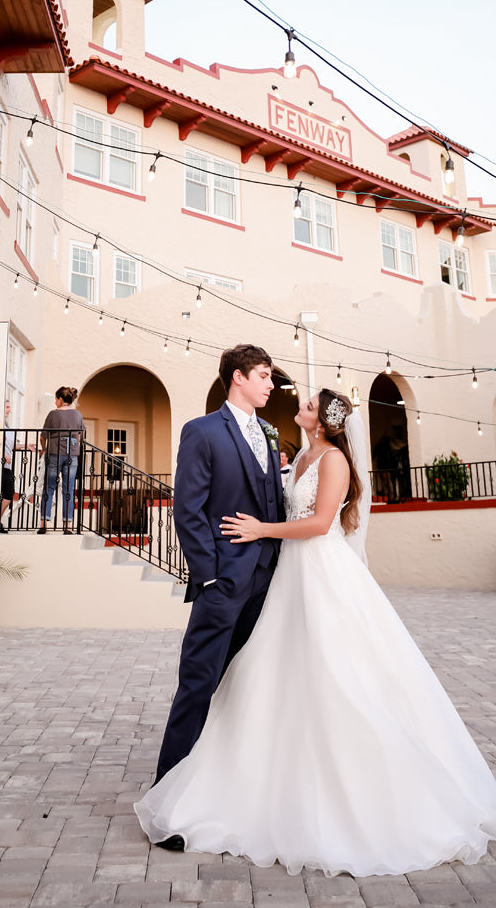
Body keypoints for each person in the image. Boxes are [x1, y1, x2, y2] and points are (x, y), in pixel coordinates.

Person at [135, 387, 496, 877]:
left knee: (334, 669)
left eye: (310, 404)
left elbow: (317, 524)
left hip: (321, 571)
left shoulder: (333, 458)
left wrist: (260, 531)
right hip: (287, 575)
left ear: (325, 421)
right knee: (274, 667)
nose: (301, 403)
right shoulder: (299, 454)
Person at [150, 344, 283, 824]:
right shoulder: (202, 431)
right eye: (265, 376)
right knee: (199, 681)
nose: (271, 385)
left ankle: (225, 777)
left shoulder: (269, 434)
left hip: (267, 579)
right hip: (223, 581)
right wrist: (210, 575)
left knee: (245, 680)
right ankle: (169, 790)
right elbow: (187, 509)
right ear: (239, 378)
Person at [38, 386, 85, 534]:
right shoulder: (78, 415)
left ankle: (44, 523)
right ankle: (68, 526)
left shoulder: (53, 415)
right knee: (68, 490)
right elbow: (79, 437)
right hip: (72, 455)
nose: (55, 402)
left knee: (49, 487)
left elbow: (43, 436)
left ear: (60, 399)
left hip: (54, 454)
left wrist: (44, 450)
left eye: (56, 399)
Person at [0, 400, 16, 533]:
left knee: (8, 494)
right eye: (7, 407)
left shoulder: (7, 425)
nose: (9, 410)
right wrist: (3, 455)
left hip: (7, 466)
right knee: (5, 494)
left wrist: (25, 446)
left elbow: (11, 446)